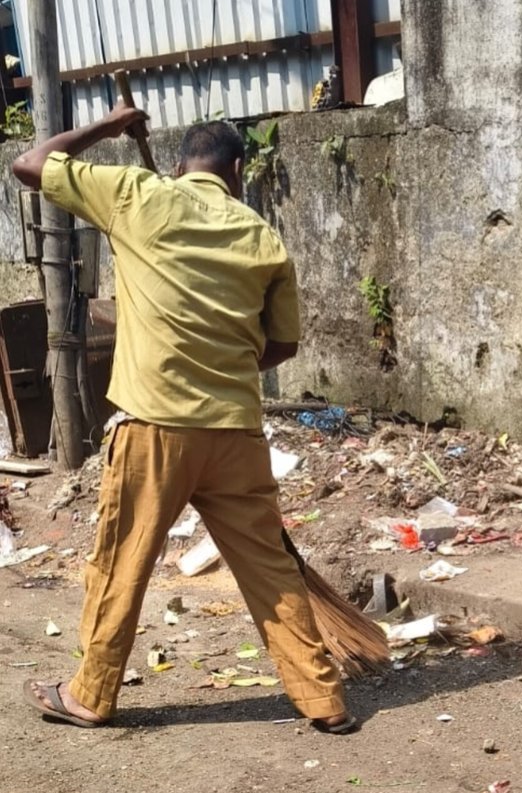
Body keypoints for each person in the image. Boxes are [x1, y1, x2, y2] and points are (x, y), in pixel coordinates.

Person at [13, 106, 355, 733]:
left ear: (178, 166)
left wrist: (109, 126)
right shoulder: (262, 236)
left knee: (122, 561)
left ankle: (89, 694)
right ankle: (323, 699)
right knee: (269, 569)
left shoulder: (138, 194)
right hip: (236, 430)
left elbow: (29, 164)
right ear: (237, 170)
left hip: (155, 427)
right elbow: (281, 346)